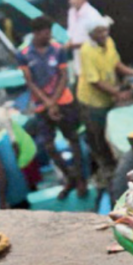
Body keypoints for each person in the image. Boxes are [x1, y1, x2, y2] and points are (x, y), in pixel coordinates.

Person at [17, 16, 88, 200]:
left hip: (63, 101)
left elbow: (64, 76)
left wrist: (54, 101)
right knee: (48, 145)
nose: (49, 36)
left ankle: (81, 179)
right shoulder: (24, 54)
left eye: (50, 33)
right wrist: (48, 104)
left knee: (73, 140)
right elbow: (30, 82)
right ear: (37, 33)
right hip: (42, 105)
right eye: (46, 33)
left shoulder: (58, 50)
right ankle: (69, 177)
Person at [78, 18, 133, 188]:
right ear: (91, 34)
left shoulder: (109, 42)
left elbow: (116, 63)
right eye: (99, 32)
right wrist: (118, 93)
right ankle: (107, 171)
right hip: (93, 102)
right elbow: (94, 80)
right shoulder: (87, 51)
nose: (104, 34)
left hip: (108, 96)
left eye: (105, 30)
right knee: (99, 137)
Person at [65, 0, 105, 76]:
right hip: (79, 57)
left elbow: (99, 40)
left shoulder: (92, 14)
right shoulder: (71, 12)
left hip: (93, 55)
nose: (73, 0)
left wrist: (73, 45)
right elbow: (71, 34)